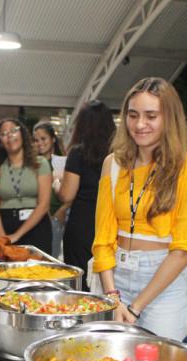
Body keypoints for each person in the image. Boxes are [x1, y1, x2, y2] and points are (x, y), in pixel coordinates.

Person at [92, 77, 187, 341]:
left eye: (151, 116)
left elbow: (184, 250)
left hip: (162, 284)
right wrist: (112, 298)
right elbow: (102, 239)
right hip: (114, 280)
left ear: (169, 118)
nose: (140, 125)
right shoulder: (113, 164)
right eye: (133, 115)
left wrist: (135, 307)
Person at [59, 100, 116, 290]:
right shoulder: (120, 153)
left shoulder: (78, 153)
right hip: (111, 224)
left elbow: (67, 194)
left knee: (80, 286)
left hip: (82, 225)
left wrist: (56, 184)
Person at [0, 118, 53, 253]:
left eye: (13, 131)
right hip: (5, 226)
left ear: (22, 134)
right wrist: (3, 238)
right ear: (0, 142)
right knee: (7, 273)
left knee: (39, 272)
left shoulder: (40, 163)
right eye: (4, 134)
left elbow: (44, 204)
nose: (9, 136)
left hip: (36, 226)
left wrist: (17, 235)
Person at [33, 122, 67, 258]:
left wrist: (62, 210)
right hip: (36, 217)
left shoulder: (63, 162)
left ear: (53, 139)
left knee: (51, 258)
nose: (39, 143)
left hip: (55, 217)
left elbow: (72, 189)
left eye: (43, 139)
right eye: (36, 140)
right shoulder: (33, 163)